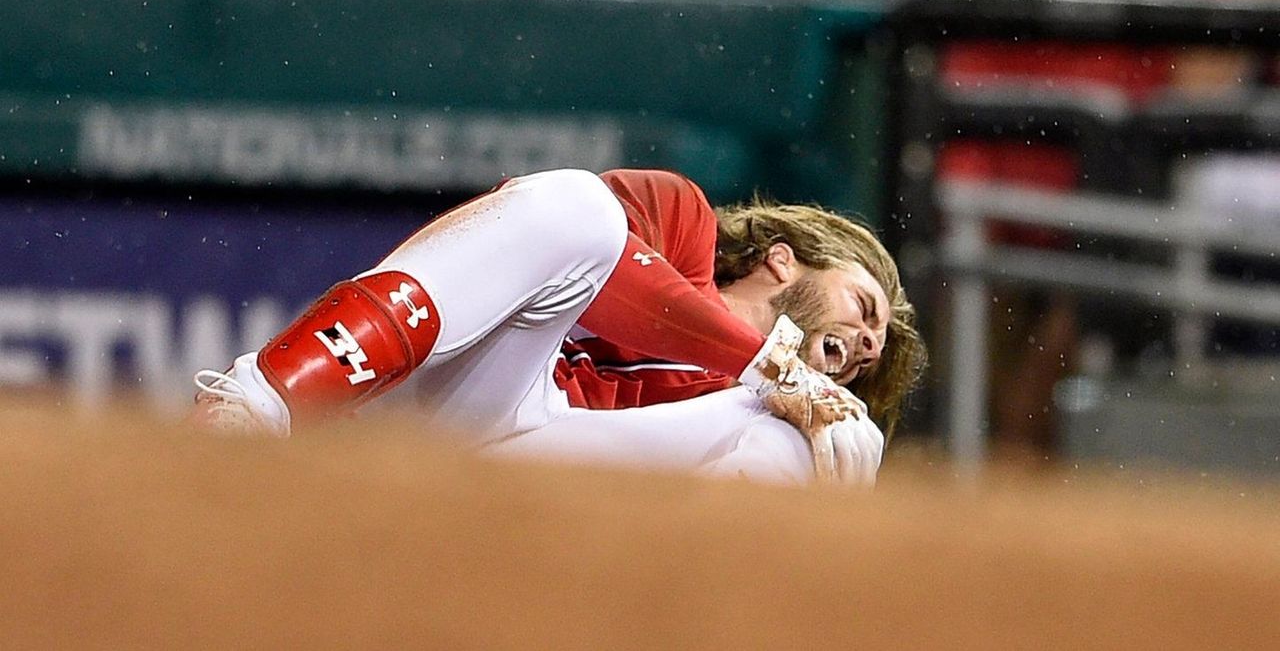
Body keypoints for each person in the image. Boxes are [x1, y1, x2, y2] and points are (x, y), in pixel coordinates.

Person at [190, 168, 925, 485]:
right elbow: (606, 283)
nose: (865, 345)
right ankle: (256, 407)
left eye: (871, 355)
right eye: (865, 310)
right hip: (466, 407)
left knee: (836, 444)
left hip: (575, 494)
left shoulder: (791, 407)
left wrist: (802, 399)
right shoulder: (679, 219)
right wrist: (773, 366)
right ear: (784, 260)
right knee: (579, 208)